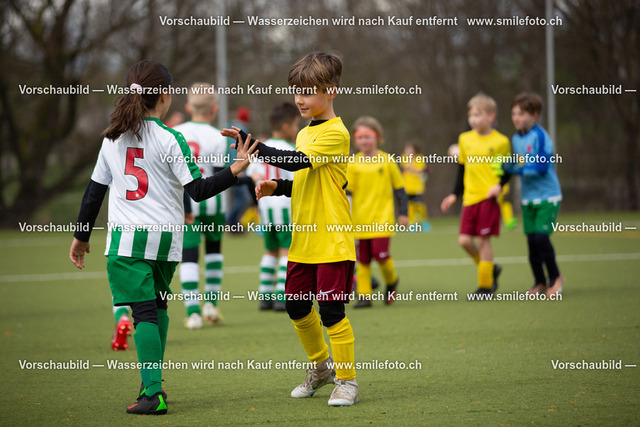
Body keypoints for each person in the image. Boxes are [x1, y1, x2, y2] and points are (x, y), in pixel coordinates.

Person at [68, 60, 257, 415]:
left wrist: (81, 236)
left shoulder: (112, 138)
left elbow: (94, 193)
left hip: (127, 241)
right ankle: (151, 384)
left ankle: (152, 393)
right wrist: (236, 168)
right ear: (165, 97)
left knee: (142, 313)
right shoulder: (172, 138)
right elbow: (198, 190)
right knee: (157, 308)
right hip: (167, 241)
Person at [222, 51, 359, 406]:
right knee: (296, 306)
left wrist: (252, 144)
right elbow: (308, 178)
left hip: (332, 238)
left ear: (331, 91)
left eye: (308, 92)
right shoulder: (303, 132)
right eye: (297, 91)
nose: (300, 99)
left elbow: (296, 162)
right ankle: (321, 368)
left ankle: (347, 381)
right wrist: (278, 187)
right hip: (304, 239)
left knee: (331, 311)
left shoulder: (337, 132)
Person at [440, 93, 510, 296]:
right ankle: (490, 268)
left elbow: (506, 170)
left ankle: (485, 286)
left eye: (478, 115)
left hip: (488, 198)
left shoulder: (501, 141)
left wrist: (499, 185)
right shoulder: (465, 139)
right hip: (469, 198)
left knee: (483, 240)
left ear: (491, 116)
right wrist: (454, 194)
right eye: (470, 115)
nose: (473, 119)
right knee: (464, 241)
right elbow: (462, 169)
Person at [174, 83, 229, 329]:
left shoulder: (176, 132)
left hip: (185, 204)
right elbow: (219, 174)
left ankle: (193, 312)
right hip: (213, 203)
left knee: (189, 256)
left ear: (188, 107)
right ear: (214, 109)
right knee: (214, 251)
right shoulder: (218, 136)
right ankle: (211, 305)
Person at [504, 92, 564, 296]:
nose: (516, 118)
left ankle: (555, 278)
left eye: (521, 114)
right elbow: (517, 164)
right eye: (513, 113)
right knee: (531, 242)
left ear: (534, 115)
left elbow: (541, 168)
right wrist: (504, 171)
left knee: (541, 238)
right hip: (527, 198)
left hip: (548, 197)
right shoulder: (515, 138)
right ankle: (539, 282)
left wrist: (515, 169)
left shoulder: (541, 136)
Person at [346, 116, 408, 308]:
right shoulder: (352, 163)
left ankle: (392, 281)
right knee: (363, 260)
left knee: (381, 255)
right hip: (360, 220)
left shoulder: (388, 161)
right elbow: (348, 192)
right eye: (360, 137)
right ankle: (364, 297)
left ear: (378, 137)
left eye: (368, 136)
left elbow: (400, 189)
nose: (364, 141)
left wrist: (403, 213)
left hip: (382, 219)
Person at [247, 103, 300, 311]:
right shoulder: (291, 150)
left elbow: (254, 175)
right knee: (287, 251)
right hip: (285, 209)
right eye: (296, 125)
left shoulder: (262, 148)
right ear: (286, 126)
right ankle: (281, 296)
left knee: (270, 251)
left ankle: (265, 296)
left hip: (266, 210)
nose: (297, 129)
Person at [401, 141, 431, 232]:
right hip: (407, 187)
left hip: (417, 187)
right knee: (409, 207)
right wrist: (411, 169)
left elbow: (419, 170)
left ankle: (424, 222)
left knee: (419, 206)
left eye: (410, 149)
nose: (408, 151)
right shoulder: (404, 157)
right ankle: (412, 224)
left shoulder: (419, 158)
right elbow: (405, 168)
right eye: (407, 149)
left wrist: (411, 168)